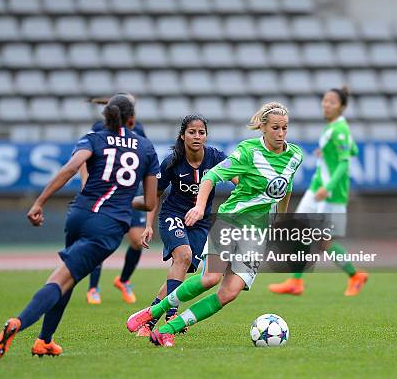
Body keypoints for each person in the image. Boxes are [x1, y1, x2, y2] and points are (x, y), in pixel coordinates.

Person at [0, 94, 159, 360]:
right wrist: (122, 200)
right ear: (133, 120)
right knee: (61, 280)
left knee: (68, 277)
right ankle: (18, 324)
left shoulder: (94, 137)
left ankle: (44, 341)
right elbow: (149, 202)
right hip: (109, 226)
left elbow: (70, 169)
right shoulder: (146, 148)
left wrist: (39, 202)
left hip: (79, 214)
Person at [126, 102, 303, 347]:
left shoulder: (295, 155)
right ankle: (152, 312)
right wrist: (199, 207)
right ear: (262, 128)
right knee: (210, 277)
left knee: (229, 293)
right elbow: (210, 177)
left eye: (285, 128)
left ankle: (169, 329)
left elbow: (286, 188)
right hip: (232, 221)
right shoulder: (247, 152)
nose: (281, 134)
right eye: (275, 128)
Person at [136, 114, 237, 337]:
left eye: (201, 132)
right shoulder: (171, 162)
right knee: (183, 256)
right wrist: (149, 225)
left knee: (181, 270)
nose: (197, 136)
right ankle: (172, 315)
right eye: (192, 132)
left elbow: (238, 181)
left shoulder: (216, 157)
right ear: (183, 136)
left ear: (206, 136)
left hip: (200, 223)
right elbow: (155, 196)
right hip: (173, 216)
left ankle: (149, 320)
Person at [268, 86, 367, 297]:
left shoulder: (340, 130)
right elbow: (354, 150)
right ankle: (296, 281)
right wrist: (326, 152)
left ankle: (355, 275)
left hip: (328, 192)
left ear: (342, 107)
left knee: (323, 241)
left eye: (331, 101)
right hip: (317, 188)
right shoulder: (333, 127)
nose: (326, 104)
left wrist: (328, 188)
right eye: (324, 100)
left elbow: (344, 164)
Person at [80, 98, 148, 305]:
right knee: (101, 239)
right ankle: (93, 288)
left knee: (137, 241)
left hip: (129, 192)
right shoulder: (99, 128)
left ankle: (124, 280)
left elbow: (144, 157)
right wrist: (85, 184)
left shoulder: (138, 128)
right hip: (106, 192)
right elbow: (84, 158)